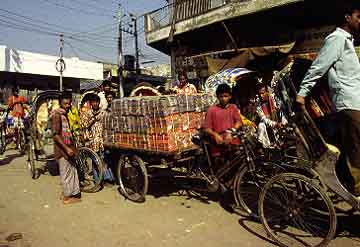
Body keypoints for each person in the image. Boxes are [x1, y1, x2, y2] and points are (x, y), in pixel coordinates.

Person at [296, 2, 360, 197]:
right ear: (347, 17)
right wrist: (302, 93)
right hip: (349, 103)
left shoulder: (348, 41)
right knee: (356, 150)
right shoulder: (336, 39)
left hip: (356, 100)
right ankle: (357, 190)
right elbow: (318, 67)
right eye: (358, 16)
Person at [51, 91, 81, 205]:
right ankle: (67, 197)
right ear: (60, 104)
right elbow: (55, 135)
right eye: (65, 104)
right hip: (63, 150)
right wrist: (66, 148)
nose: (68, 106)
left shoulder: (64, 114)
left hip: (69, 148)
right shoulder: (57, 115)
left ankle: (68, 194)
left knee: (71, 171)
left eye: (69, 103)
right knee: (66, 173)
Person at [80, 94, 115, 184]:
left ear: (99, 103)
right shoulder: (87, 114)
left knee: (104, 159)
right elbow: (84, 126)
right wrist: (94, 119)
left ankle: (107, 178)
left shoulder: (103, 113)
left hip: (102, 140)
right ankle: (97, 180)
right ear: (91, 103)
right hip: (92, 141)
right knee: (95, 161)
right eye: (94, 102)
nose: (95, 104)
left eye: (97, 102)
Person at [203, 84, 242, 157]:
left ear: (230, 96)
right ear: (217, 97)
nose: (223, 99)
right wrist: (215, 135)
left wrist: (231, 132)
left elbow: (239, 122)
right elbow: (207, 128)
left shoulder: (233, 108)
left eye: (226, 96)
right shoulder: (211, 110)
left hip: (233, 143)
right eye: (221, 96)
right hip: (217, 146)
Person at [256, 83, 288, 148]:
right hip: (271, 126)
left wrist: (283, 123)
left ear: (267, 92)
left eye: (263, 93)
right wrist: (275, 124)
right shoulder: (258, 104)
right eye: (260, 94)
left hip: (281, 122)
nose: (261, 96)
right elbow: (263, 119)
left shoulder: (274, 98)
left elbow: (281, 110)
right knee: (261, 125)